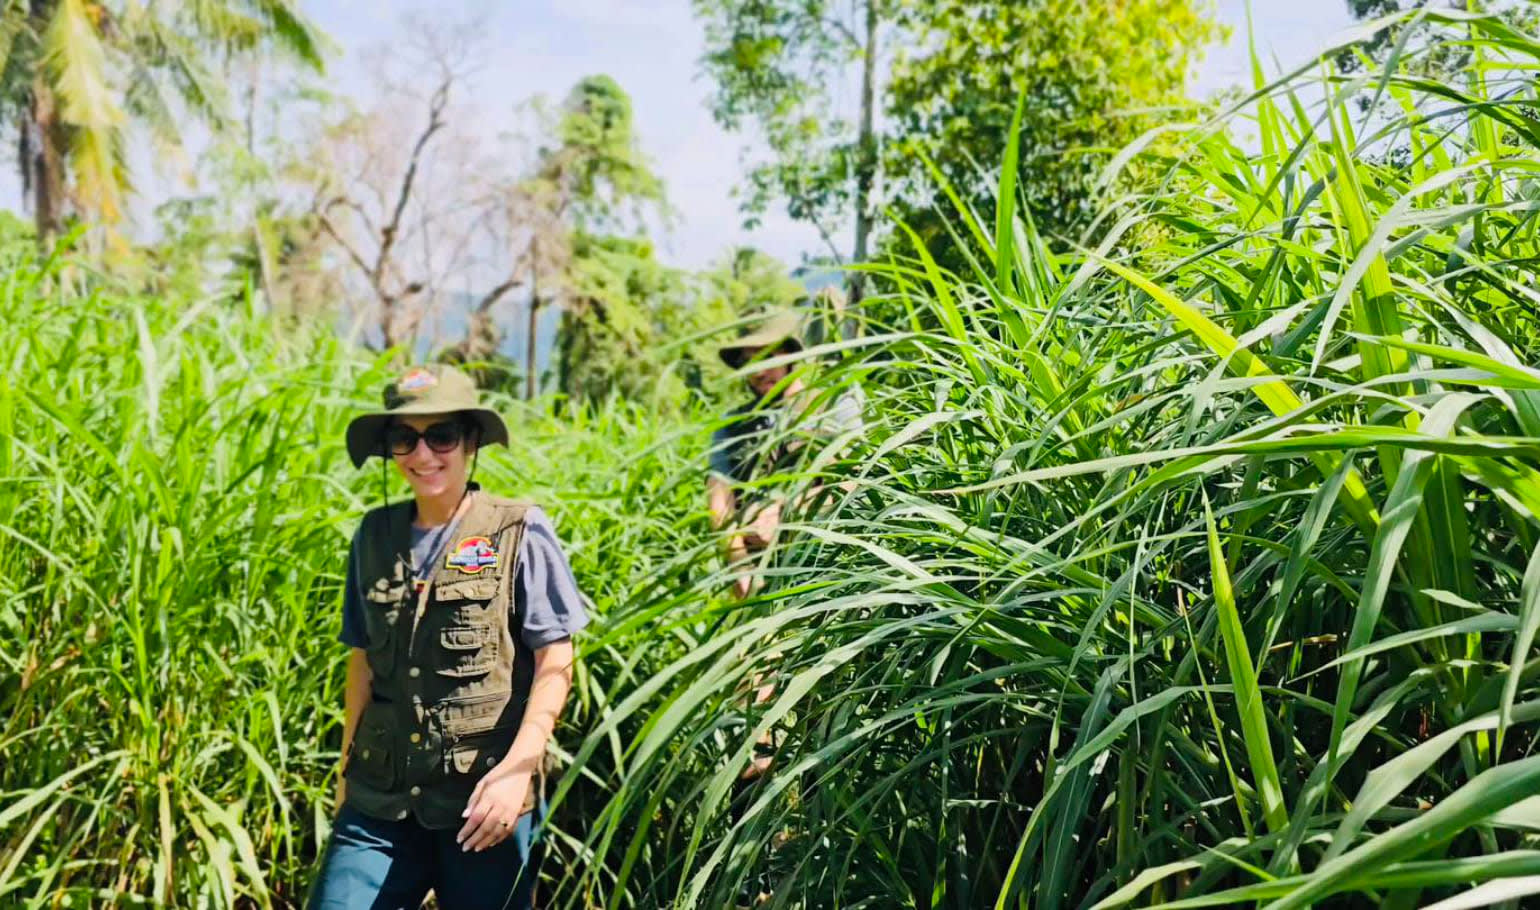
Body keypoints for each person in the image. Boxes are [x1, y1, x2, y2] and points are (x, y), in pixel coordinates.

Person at [307, 364, 589, 910]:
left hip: (483, 802)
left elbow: (556, 657)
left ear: (471, 441)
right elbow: (362, 663)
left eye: (441, 436)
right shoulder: (373, 535)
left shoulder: (518, 529)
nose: (422, 454)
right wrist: (345, 778)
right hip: (379, 800)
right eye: (404, 438)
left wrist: (518, 772)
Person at [706, 309, 863, 782]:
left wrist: (790, 511)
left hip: (824, 571)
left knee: (824, 702)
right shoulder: (735, 426)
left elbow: (850, 479)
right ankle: (754, 788)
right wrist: (739, 564)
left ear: (792, 356)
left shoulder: (832, 404)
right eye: (750, 360)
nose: (761, 370)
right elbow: (719, 500)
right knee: (755, 695)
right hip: (759, 576)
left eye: (769, 357)